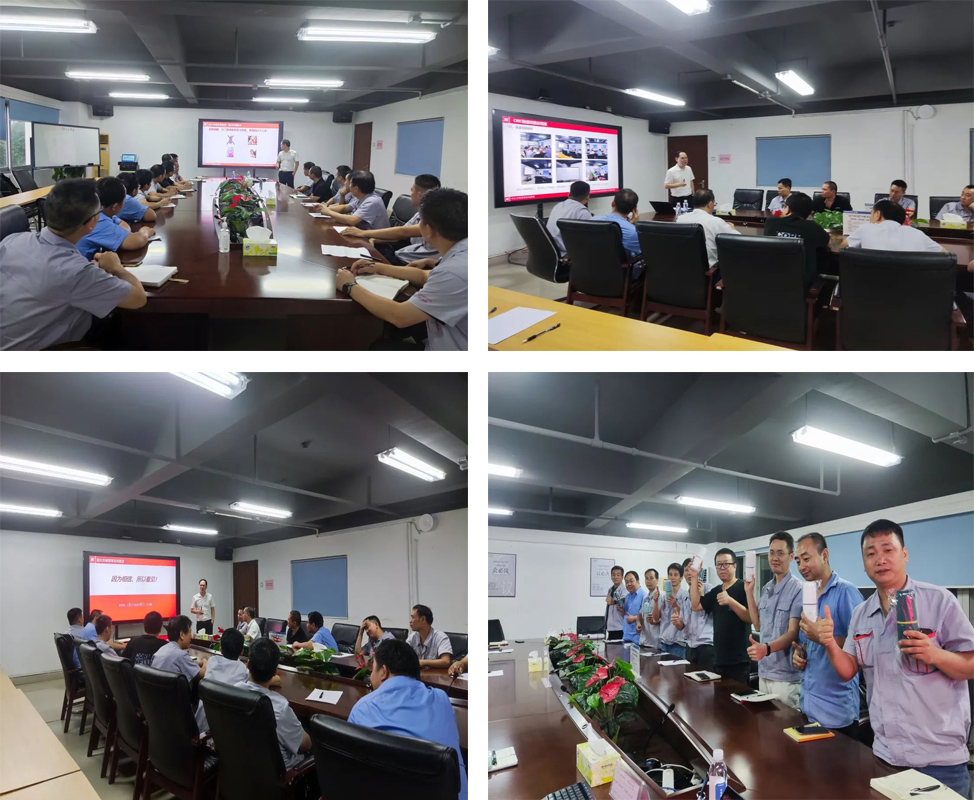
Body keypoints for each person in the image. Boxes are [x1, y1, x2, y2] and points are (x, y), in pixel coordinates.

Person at [823, 520, 974, 798]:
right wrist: (829, 642)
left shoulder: (939, 601)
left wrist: (935, 654)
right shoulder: (861, 614)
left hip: (940, 761)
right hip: (886, 756)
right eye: (871, 553)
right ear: (864, 563)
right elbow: (848, 670)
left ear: (904, 554)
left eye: (888, 550)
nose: (880, 559)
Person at [0, 178, 147, 350]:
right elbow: (138, 299)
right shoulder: (76, 272)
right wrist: (116, 267)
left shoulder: (12, 240)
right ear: (92, 223)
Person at [338, 187, 467, 351]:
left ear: (428, 229)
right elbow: (424, 276)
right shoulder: (461, 250)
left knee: (378, 346)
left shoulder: (454, 271)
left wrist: (350, 286)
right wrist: (377, 267)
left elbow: (399, 316)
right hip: (445, 329)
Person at [348, 640, 467, 800]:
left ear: (384, 672)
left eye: (373, 668)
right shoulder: (441, 699)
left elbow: (349, 770)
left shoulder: (363, 708)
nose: (370, 675)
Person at [791, 532, 863, 740]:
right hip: (808, 705)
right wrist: (800, 654)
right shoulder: (808, 596)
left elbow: (861, 643)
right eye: (798, 561)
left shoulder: (846, 592)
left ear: (824, 555)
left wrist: (824, 639)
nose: (802, 566)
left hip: (836, 711)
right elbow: (808, 642)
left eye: (806, 558)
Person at [744, 532, 803, 709]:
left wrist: (766, 648)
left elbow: (793, 633)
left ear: (791, 556)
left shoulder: (798, 589)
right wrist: (749, 592)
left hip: (785, 678)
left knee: (786, 724)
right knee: (765, 722)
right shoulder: (766, 588)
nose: (774, 558)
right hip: (764, 672)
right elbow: (757, 625)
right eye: (771, 553)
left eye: (780, 553)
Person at [240, 638, 313, 768]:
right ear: (275, 672)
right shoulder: (280, 707)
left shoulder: (233, 691)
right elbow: (306, 745)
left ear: (248, 665)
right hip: (282, 773)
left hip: (240, 762)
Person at [344, 174, 442, 265]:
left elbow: (403, 232)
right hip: (404, 254)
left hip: (413, 262)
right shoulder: (419, 214)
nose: (411, 194)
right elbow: (397, 236)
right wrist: (374, 239)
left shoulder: (434, 218)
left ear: (420, 194)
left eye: (412, 190)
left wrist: (363, 233)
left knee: (361, 264)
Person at [687, 549, 751, 684]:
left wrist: (730, 601)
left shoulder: (743, 588)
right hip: (719, 659)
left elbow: (750, 617)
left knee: (738, 697)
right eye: (719, 564)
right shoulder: (716, 590)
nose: (722, 568)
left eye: (726, 564)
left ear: (735, 566)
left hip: (739, 661)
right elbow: (695, 605)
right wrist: (694, 577)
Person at [76, 176, 155, 261]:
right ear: (115, 207)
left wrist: (122, 234)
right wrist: (145, 232)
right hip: (81, 267)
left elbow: (120, 222)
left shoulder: (98, 211)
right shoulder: (98, 220)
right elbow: (136, 241)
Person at [762, 192, 829, 288]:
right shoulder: (813, 228)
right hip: (802, 283)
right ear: (809, 213)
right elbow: (825, 242)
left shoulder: (771, 223)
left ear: (787, 208)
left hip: (771, 277)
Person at [194, 628, 249, 733]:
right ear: (242, 651)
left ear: (220, 648)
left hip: (200, 727)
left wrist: (204, 661)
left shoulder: (212, 661)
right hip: (222, 732)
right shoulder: (243, 670)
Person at [841, 200, 946, 253]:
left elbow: (843, 247)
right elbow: (946, 255)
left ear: (877, 215)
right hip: (910, 287)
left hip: (870, 286)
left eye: (871, 214)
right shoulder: (918, 234)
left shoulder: (865, 229)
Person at [676, 189, 741, 267]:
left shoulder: (680, 219)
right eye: (714, 203)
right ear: (710, 204)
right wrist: (733, 228)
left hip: (684, 267)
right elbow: (739, 240)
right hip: (709, 270)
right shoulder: (716, 222)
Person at [315, 170, 390, 230]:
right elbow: (345, 208)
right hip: (360, 231)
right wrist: (325, 208)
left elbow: (352, 220)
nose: (348, 186)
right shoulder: (362, 196)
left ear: (356, 188)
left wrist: (329, 212)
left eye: (350, 184)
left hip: (373, 239)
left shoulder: (371, 201)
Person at [592, 188, 642, 266]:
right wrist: (634, 224)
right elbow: (643, 254)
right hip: (620, 272)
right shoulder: (632, 231)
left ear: (613, 203)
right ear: (634, 209)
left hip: (591, 268)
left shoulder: (592, 220)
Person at [681, 557, 715, 671]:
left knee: (707, 680)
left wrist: (702, 596)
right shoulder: (684, 595)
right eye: (686, 570)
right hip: (690, 645)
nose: (689, 573)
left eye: (691, 569)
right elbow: (684, 621)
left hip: (706, 646)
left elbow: (715, 612)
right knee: (689, 679)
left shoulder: (709, 589)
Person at [546, 180, 593, 257]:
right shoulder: (582, 212)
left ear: (569, 194)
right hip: (567, 255)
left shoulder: (558, 206)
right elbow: (590, 240)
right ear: (587, 197)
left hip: (551, 252)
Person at [152, 615, 206, 679]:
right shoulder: (181, 655)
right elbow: (201, 674)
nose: (191, 636)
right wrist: (205, 662)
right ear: (182, 635)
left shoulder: (161, 650)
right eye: (189, 632)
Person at [405, 604, 452, 668]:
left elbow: (446, 661)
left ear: (423, 619)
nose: (410, 621)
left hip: (435, 674)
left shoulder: (441, 637)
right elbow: (403, 658)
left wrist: (422, 662)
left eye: (413, 617)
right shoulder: (412, 638)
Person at [658, 563, 688, 658]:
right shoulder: (663, 596)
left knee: (678, 667)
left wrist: (675, 604)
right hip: (664, 641)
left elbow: (685, 617)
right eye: (670, 574)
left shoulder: (685, 595)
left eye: (676, 575)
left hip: (678, 643)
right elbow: (657, 617)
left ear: (681, 578)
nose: (672, 577)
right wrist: (655, 602)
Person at [636, 569, 661, 649]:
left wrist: (653, 621)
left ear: (657, 580)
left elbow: (663, 619)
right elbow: (640, 614)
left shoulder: (661, 597)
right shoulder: (645, 598)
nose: (648, 581)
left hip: (655, 643)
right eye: (646, 578)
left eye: (651, 578)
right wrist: (638, 623)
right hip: (644, 641)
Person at [621, 571, 647, 645]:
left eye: (631, 581)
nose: (629, 584)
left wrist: (634, 618)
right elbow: (626, 616)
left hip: (638, 640)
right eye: (626, 582)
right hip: (626, 638)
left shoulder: (644, 596)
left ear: (638, 581)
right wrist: (622, 611)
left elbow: (647, 616)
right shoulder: (627, 597)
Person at [604, 565, 627, 642]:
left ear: (622, 577)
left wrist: (614, 601)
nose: (615, 577)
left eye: (618, 575)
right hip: (610, 627)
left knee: (618, 649)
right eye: (613, 575)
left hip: (619, 627)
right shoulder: (610, 589)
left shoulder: (624, 589)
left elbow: (624, 599)